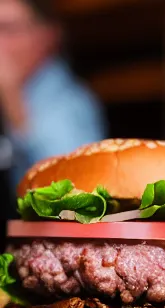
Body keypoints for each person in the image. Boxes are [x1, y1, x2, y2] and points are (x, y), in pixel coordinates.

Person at [0, 0, 107, 201]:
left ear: (47, 36)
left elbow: (71, 188)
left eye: (8, 29)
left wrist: (12, 97)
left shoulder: (67, 100)